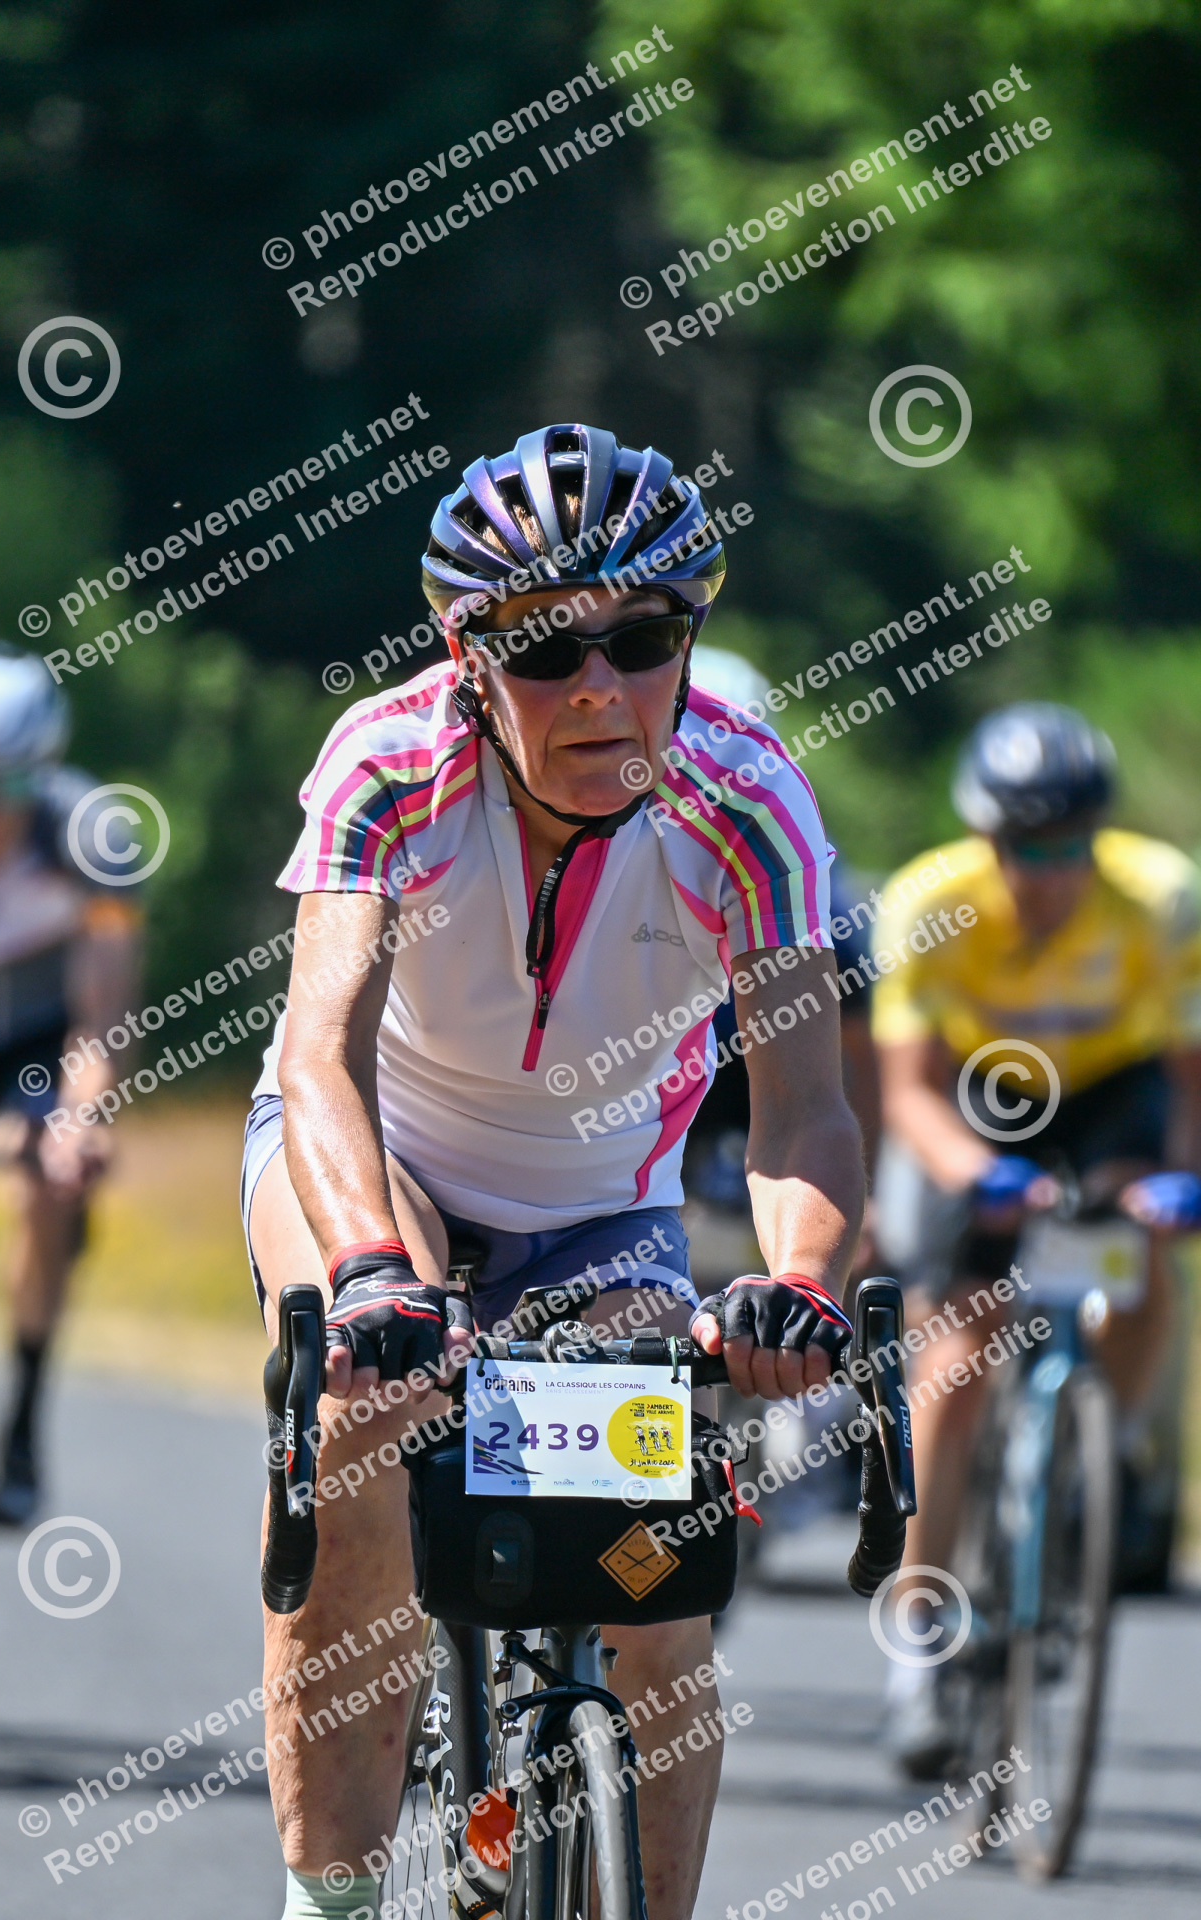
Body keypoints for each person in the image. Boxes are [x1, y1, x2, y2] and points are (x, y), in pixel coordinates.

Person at [242, 424, 864, 1920]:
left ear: (687, 642)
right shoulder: (389, 761)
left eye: (641, 641)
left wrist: (795, 1284)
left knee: (653, 1580)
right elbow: (320, 1054)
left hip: (597, 1208)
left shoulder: (750, 797)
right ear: (468, 659)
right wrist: (372, 1269)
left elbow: (803, 1114)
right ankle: (328, 1902)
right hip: (375, 1156)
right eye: (542, 649)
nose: (597, 687)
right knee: (362, 1416)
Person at [869, 701, 1201, 1772]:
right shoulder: (929, 903)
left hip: (1107, 1098)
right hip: (976, 1106)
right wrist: (978, 1175)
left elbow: (1187, 1077)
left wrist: (1180, 1180)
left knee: (1142, 1270)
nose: (1048, 873)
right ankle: (918, 1636)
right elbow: (908, 1093)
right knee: (954, 1359)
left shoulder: (1160, 899)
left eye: (1069, 848)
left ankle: (1092, 1461)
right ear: (985, 837)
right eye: (1025, 848)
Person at [0, 643, 141, 1523]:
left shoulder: (92, 838)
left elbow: (102, 1017)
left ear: (42, 772)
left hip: (39, 1050)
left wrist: (79, 1122)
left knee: (50, 1180)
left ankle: (18, 1426)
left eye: (8, 784)